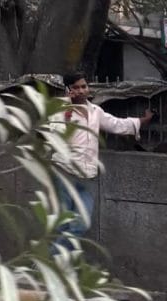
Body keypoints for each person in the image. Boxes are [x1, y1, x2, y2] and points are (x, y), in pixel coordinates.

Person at [54, 76, 142, 256]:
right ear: (68, 89)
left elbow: (116, 124)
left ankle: (48, 261)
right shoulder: (60, 109)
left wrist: (140, 121)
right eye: (76, 87)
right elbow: (55, 134)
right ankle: (57, 267)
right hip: (65, 173)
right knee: (64, 224)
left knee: (82, 224)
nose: (81, 91)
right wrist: (68, 110)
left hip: (88, 177)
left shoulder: (95, 111)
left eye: (83, 86)